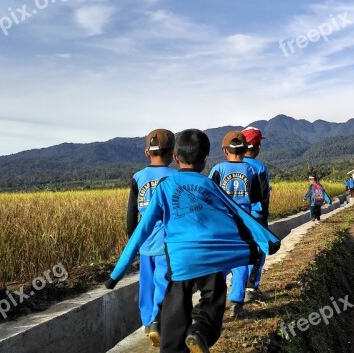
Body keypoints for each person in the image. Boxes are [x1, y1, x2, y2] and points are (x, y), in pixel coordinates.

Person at [105, 129, 280, 353]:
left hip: (180, 261)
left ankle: (170, 343)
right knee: (213, 298)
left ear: (176, 158)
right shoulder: (210, 185)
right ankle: (199, 332)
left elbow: (141, 230)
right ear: (206, 159)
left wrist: (115, 275)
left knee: (174, 305)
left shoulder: (165, 187)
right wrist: (268, 240)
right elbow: (239, 213)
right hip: (210, 258)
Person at [125, 128, 177, 346]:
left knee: (146, 283)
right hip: (168, 243)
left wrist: (133, 241)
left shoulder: (138, 177)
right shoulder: (176, 177)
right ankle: (157, 320)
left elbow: (131, 215)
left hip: (144, 242)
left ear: (147, 152)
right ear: (173, 154)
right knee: (163, 281)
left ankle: (148, 322)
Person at [209, 131, 264, 319]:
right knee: (241, 262)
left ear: (225, 151)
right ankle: (236, 303)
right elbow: (257, 197)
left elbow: (209, 195)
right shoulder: (252, 171)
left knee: (221, 261)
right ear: (245, 149)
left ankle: (215, 301)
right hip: (243, 223)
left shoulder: (217, 169)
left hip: (221, 223)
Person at [241, 126, 271, 302]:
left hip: (236, 218)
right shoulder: (259, 168)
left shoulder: (230, 166)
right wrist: (265, 217)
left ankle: (239, 286)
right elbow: (264, 196)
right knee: (258, 251)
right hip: (256, 217)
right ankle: (252, 286)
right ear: (257, 146)